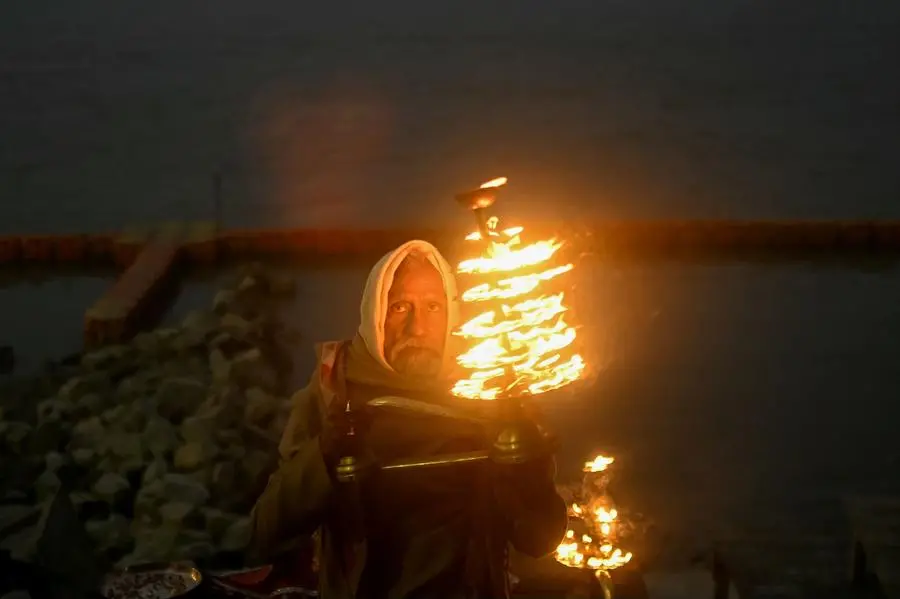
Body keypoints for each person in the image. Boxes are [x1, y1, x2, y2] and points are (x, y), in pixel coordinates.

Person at [250, 240, 568, 599]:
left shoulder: (491, 395)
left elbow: (541, 539)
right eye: (400, 307)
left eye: (433, 307)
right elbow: (266, 532)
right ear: (375, 314)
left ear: (453, 314)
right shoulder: (334, 389)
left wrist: (525, 470)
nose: (418, 328)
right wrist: (324, 454)